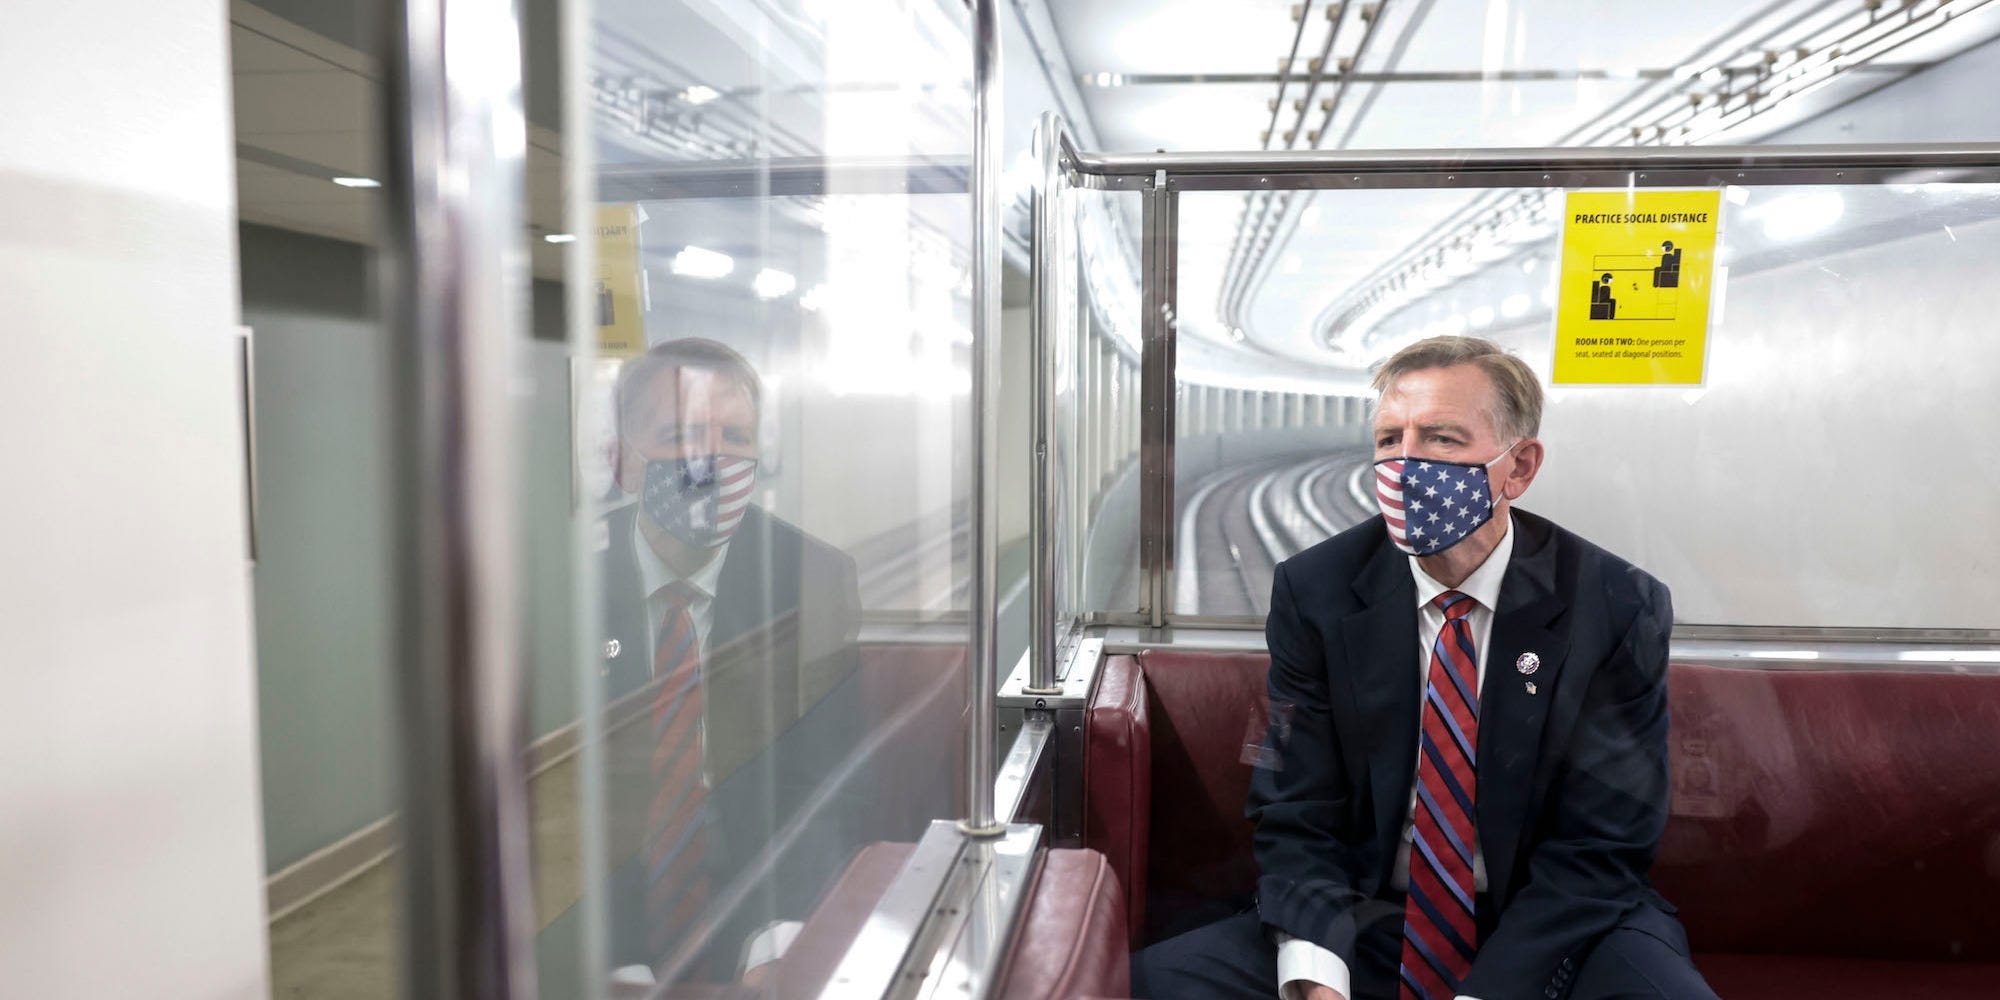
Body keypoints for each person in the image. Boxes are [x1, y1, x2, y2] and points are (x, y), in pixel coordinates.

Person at [1133, 336, 1715, 1000]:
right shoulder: (1318, 591)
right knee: (1142, 985)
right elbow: (1296, 805)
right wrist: (1318, 971)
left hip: (1558, 925)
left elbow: (1602, 844)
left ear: (1518, 467)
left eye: (1440, 440)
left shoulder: (1613, 605)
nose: (1406, 464)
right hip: (1365, 914)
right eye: (1388, 440)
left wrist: (1489, 991)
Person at [595, 337, 865, 991]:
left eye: (736, 436)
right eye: (683, 434)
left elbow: (825, 784)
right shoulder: (566, 586)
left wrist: (782, 933)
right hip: (602, 907)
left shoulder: (809, 576)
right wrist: (606, 957)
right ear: (626, 460)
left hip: (753, 892)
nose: (712, 459)